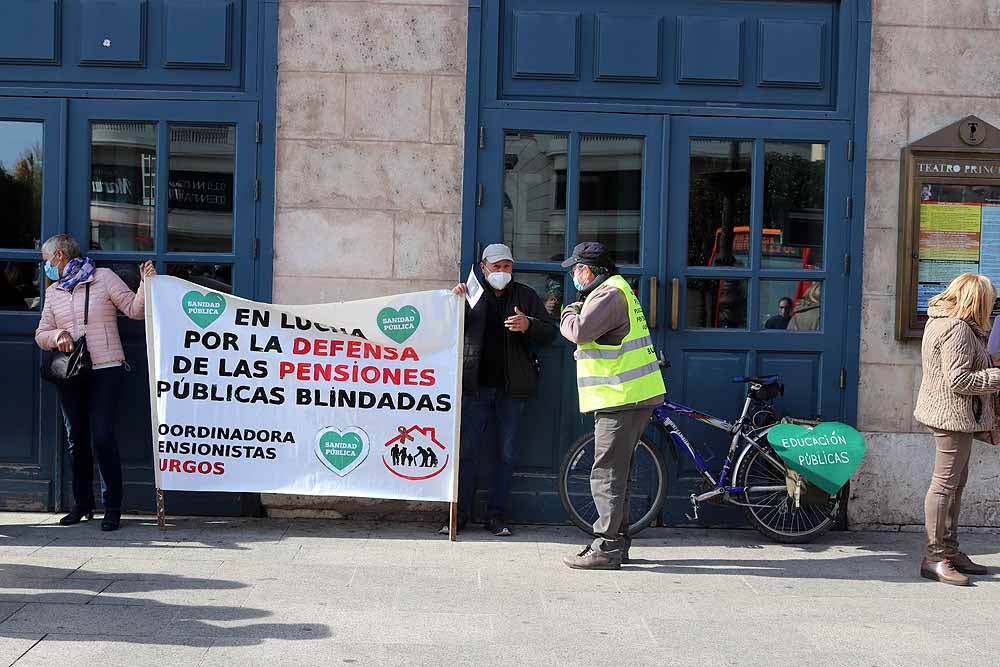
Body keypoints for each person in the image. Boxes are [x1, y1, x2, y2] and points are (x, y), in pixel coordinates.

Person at [34, 234, 155, 532]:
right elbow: (41, 332)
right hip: (71, 372)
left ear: (59, 256)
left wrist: (145, 285)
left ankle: (112, 507)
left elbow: (135, 310)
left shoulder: (104, 278)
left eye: (46, 261)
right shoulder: (55, 292)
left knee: (102, 437)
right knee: (77, 439)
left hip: (106, 368)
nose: (45, 267)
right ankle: (82, 505)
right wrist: (57, 336)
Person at [558, 242, 665, 569]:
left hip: (621, 397)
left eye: (577, 269)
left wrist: (567, 312)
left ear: (592, 270)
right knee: (619, 472)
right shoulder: (618, 290)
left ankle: (606, 545)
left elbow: (580, 332)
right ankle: (618, 542)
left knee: (606, 472)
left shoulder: (607, 295)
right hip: (629, 395)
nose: (575, 275)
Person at [447, 243, 557, 536]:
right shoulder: (470, 294)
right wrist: (454, 301)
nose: (502, 272)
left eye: (507, 267)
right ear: (483, 268)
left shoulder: (525, 295)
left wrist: (529, 324)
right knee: (467, 451)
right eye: (496, 267)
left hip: (512, 389)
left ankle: (496, 515)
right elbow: (447, 328)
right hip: (475, 387)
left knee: (505, 454)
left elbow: (550, 333)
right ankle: (460, 515)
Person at [913, 273, 1000, 586]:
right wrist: (997, 376)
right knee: (944, 485)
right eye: (990, 301)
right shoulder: (957, 328)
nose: (992, 307)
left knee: (954, 483)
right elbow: (959, 381)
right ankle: (935, 557)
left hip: (954, 415)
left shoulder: (944, 321)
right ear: (977, 301)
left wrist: (989, 360)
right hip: (952, 416)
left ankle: (949, 550)